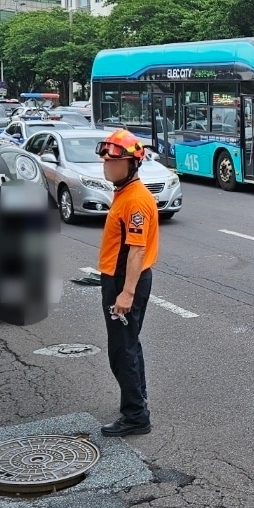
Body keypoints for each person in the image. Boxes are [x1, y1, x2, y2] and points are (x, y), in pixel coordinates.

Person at [96, 129, 160, 438]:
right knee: (128, 345)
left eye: (113, 162)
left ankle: (135, 415)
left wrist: (126, 293)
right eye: (105, 161)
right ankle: (137, 401)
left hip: (125, 281)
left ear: (131, 164)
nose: (106, 167)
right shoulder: (124, 192)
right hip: (119, 278)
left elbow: (137, 250)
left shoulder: (135, 201)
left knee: (122, 350)